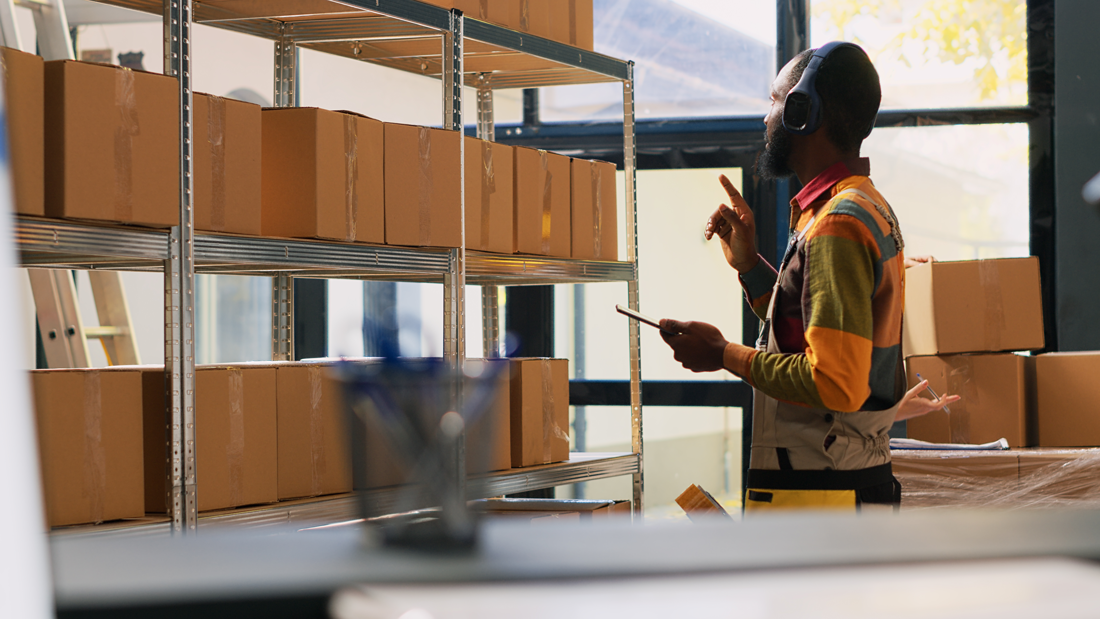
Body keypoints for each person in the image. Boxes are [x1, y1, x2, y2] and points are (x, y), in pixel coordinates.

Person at [659, 42, 957, 512]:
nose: (765, 118)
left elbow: (834, 381)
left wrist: (723, 354)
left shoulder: (839, 222)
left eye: (775, 101)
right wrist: (752, 267)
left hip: (824, 495)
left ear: (803, 111)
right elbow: (813, 328)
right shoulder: (857, 205)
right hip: (834, 487)